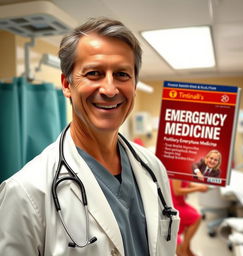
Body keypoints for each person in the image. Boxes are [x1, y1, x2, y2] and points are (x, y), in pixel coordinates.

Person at [0, 17, 179, 256]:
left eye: (122, 75)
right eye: (94, 73)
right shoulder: (25, 191)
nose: (109, 89)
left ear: (134, 84)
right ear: (66, 84)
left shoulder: (153, 168)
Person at [170, 179, 208, 256]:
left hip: (180, 203)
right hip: (175, 205)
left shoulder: (182, 171)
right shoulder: (177, 170)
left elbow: (186, 183)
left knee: (193, 216)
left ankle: (187, 249)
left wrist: (200, 187)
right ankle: (183, 249)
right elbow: (177, 191)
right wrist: (198, 189)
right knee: (196, 218)